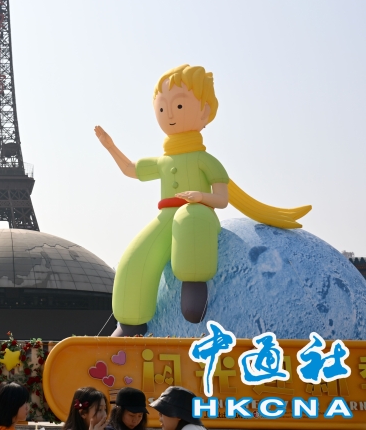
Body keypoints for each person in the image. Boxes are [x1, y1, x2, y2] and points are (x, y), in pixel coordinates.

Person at [95, 64, 310, 336]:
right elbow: (129, 169)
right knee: (137, 254)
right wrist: (110, 146)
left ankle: (194, 285)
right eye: (162, 108)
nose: (170, 115)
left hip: (199, 215)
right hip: (166, 216)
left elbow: (222, 199)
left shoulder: (205, 160)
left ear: (205, 111)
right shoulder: (163, 161)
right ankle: (130, 323)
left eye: (179, 106)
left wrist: (200, 197)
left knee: (190, 218)